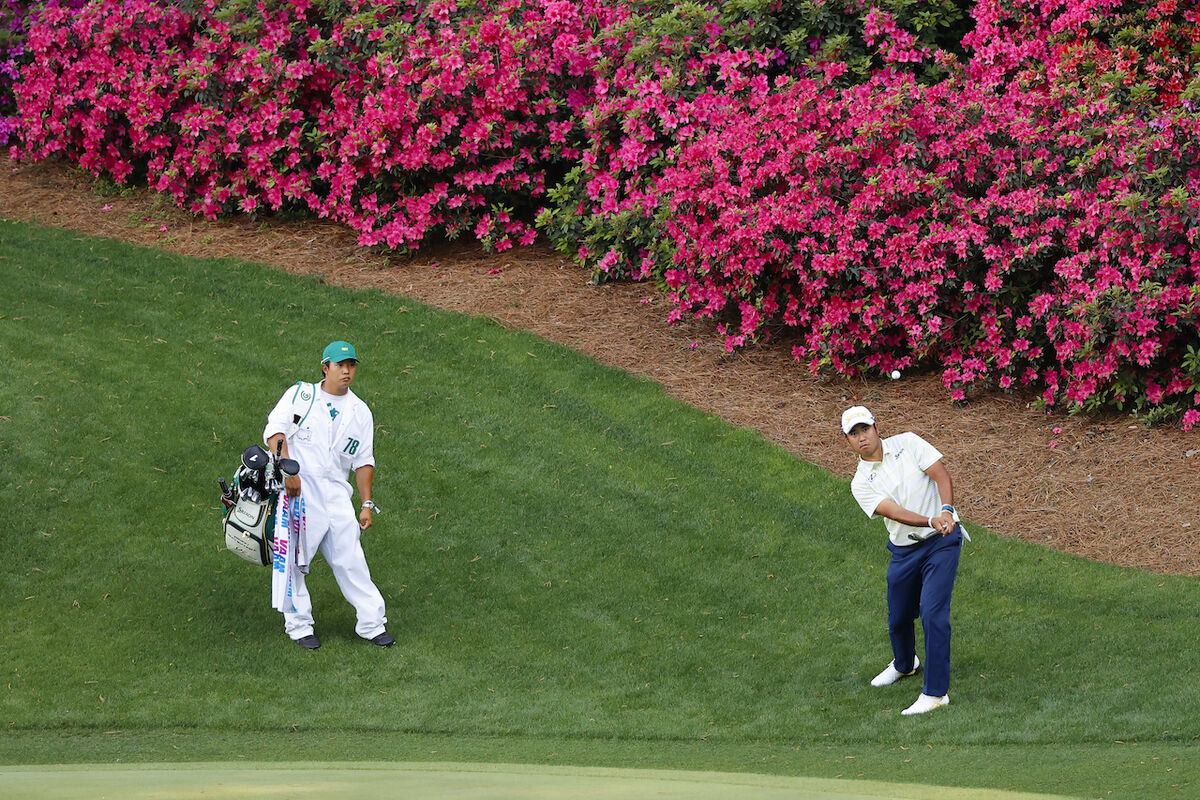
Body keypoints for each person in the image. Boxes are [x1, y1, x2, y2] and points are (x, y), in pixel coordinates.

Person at [263, 340, 394, 650]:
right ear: (326, 368)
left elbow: (364, 461)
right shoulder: (301, 396)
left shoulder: (360, 412)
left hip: (336, 495)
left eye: (351, 366)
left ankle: (372, 624)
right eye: (340, 366)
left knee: (351, 559)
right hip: (299, 492)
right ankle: (299, 626)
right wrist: (289, 470)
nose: (347, 371)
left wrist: (366, 504)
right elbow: (274, 431)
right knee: (294, 560)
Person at [842, 405, 965, 715]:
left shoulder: (908, 443)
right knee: (898, 618)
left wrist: (946, 511)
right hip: (905, 550)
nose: (862, 438)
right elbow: (893, 512)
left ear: (876, 427)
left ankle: (936, 693)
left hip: (942, 541)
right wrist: (930, 520)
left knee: (932, 613)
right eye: (853, 434)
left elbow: (940, 475)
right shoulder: (860, 482)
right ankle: (906, 664)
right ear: (848, 441)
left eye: (865, 429)